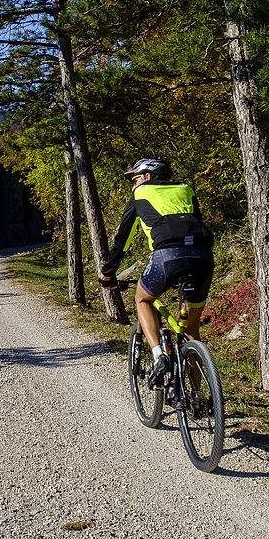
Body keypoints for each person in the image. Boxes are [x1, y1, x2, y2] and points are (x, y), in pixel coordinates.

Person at [98, 157, 214, 389]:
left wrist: (107, 274)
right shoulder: (186, 189)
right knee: (191, 330)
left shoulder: (140, 195)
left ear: (148, 177)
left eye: (135, 179)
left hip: (166, 258)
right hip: (203, 257)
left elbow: (123, 239)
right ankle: (197, 397)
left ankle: (159, 354)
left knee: (143, 299)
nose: (133, 185)